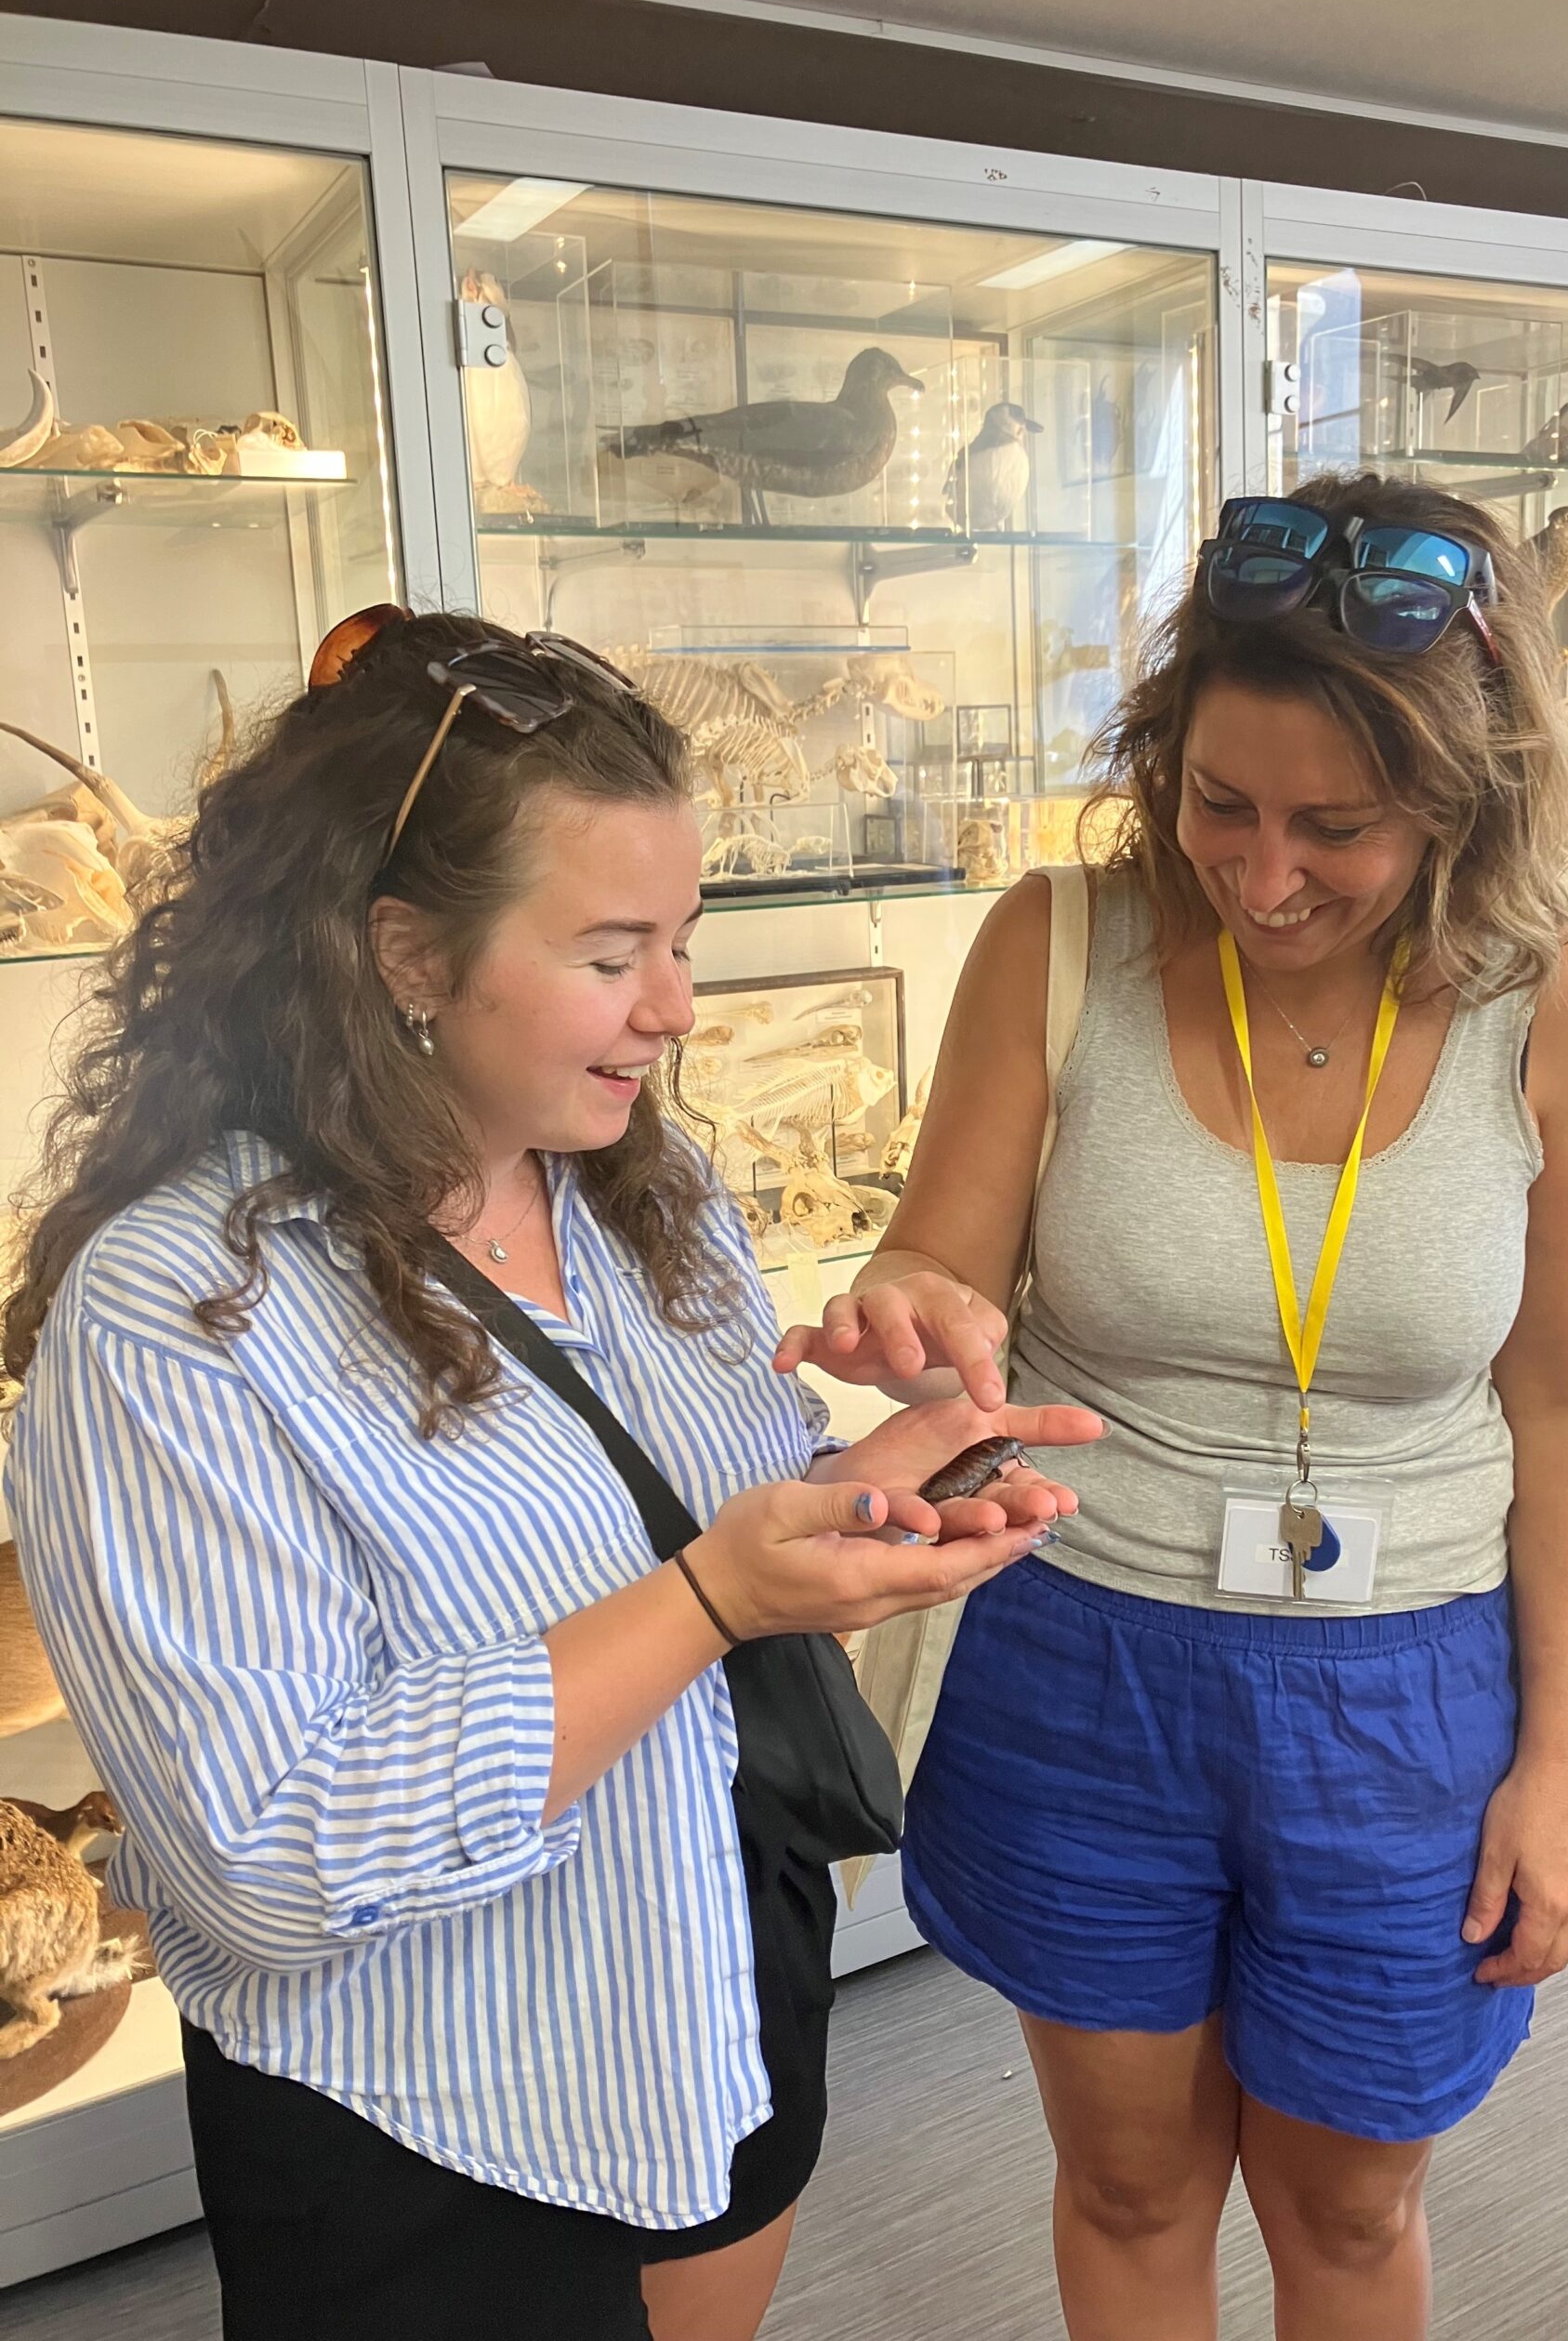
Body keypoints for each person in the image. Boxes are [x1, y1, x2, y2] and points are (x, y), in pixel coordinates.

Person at [0, 607, 1100, 2341]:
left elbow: (696, 1517)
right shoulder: (179, 1314)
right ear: (407, 956)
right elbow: (269, 1856)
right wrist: (715, 1597)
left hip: (706, 1968)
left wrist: (882, 1471)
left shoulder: (635, 1196)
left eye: (681, 936)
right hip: (441, 2104)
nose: (674, 1006)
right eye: (611, 951)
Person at [775, 474, 1568, 2341]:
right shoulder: (1058, 943)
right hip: (1083, 1660)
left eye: (1340, 825)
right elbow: (947, 1261)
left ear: (1467, 792)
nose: (1262, 877)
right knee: (1132, 2176)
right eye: (1217, 802)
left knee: (1346, 2205)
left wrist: (1558, 1767)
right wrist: (918, 1309)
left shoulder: (1554, 997)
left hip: (1410, 1687)